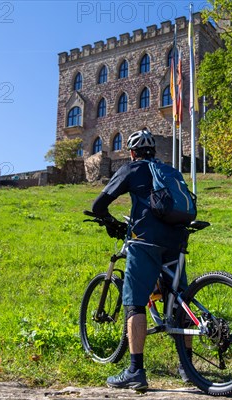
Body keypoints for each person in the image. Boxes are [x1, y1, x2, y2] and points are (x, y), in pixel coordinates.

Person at [91, 129, 190, 391]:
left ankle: (135, 370)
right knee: (181, 300)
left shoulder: (131, 169)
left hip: (145, 241)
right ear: (154, 152)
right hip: (177, 240)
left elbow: (99, 205)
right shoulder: (169, 171)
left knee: (134, 303)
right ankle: (187, 367)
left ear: (132, 153)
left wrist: (108, 221)